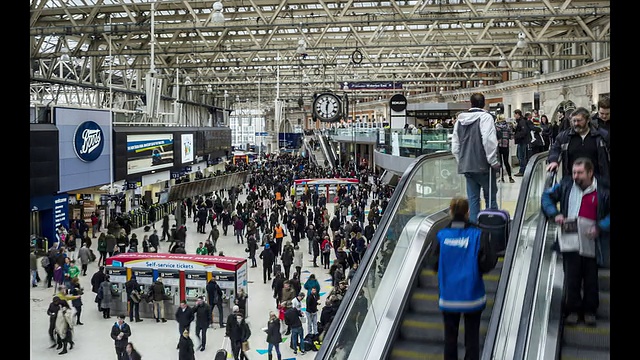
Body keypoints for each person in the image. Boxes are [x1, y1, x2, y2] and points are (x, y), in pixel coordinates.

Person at [541, 157, 610, 325]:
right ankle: (572, 309)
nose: (575, 176)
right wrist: (554, 213)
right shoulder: (565, 186)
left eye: (580, 173)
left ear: (590, 172)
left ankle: (589, 311)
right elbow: (546, 197)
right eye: (573, 172)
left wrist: (600, 226)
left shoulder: (602, 191)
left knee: (591, 278)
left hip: (592, 241)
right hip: (570, 240)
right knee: (571, 277)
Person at [429, 197, 498, 360]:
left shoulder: (442, 235)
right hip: (472, 295)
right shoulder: (478, 234)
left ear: (451, 212)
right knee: (472, 339)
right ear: (468, 212)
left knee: (450, 339)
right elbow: (488, 262)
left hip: (448, 297)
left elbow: (433, 263)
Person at [451, 93, 501, 223]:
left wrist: (461, 161)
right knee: (490, 198)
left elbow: (455, 146)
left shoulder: (459, 121)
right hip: (484, 166)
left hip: (467, 167)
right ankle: (491, 228)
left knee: (473, 200)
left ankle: (474, 230)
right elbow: (488, 141)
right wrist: (493, 161)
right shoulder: (486, 118)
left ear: (471, 103)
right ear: (483, 103)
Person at [547, 107, 610, 185]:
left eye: (579, 121)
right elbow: (555, 148)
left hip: (597, 182)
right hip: (573, 181)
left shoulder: (601, 136)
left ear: (588, 120)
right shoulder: (564, 137)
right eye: (574, 121)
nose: (576, 124)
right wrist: (554, 160)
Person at [495, 114, 515, 183]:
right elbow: (511, 137)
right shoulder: (508, 126)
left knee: (500, 162)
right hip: (506, 146)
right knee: (506, 162)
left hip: (498, 146)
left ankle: (502, 178)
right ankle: (510, 177)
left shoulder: (496, 126)